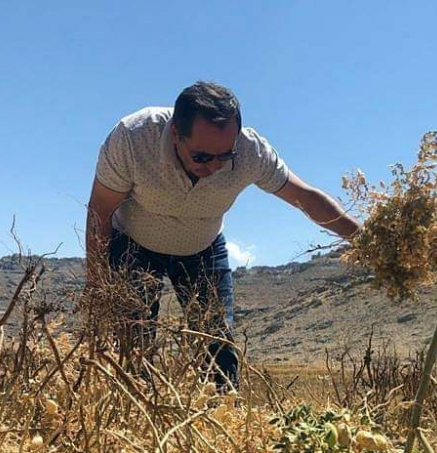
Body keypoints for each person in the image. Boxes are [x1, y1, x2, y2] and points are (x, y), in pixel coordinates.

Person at [85, 81, 360, 388]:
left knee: (218, 347)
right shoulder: (134, 136)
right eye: (202, 157)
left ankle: (221, 416)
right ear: (175, 133)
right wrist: (98, 288)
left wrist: (364, 238)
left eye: (224, 156)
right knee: (131, 347)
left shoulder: (250, 151)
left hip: (203, 247)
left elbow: (306, 198)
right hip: (133, 246)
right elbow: (100, 211)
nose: (215, 167)